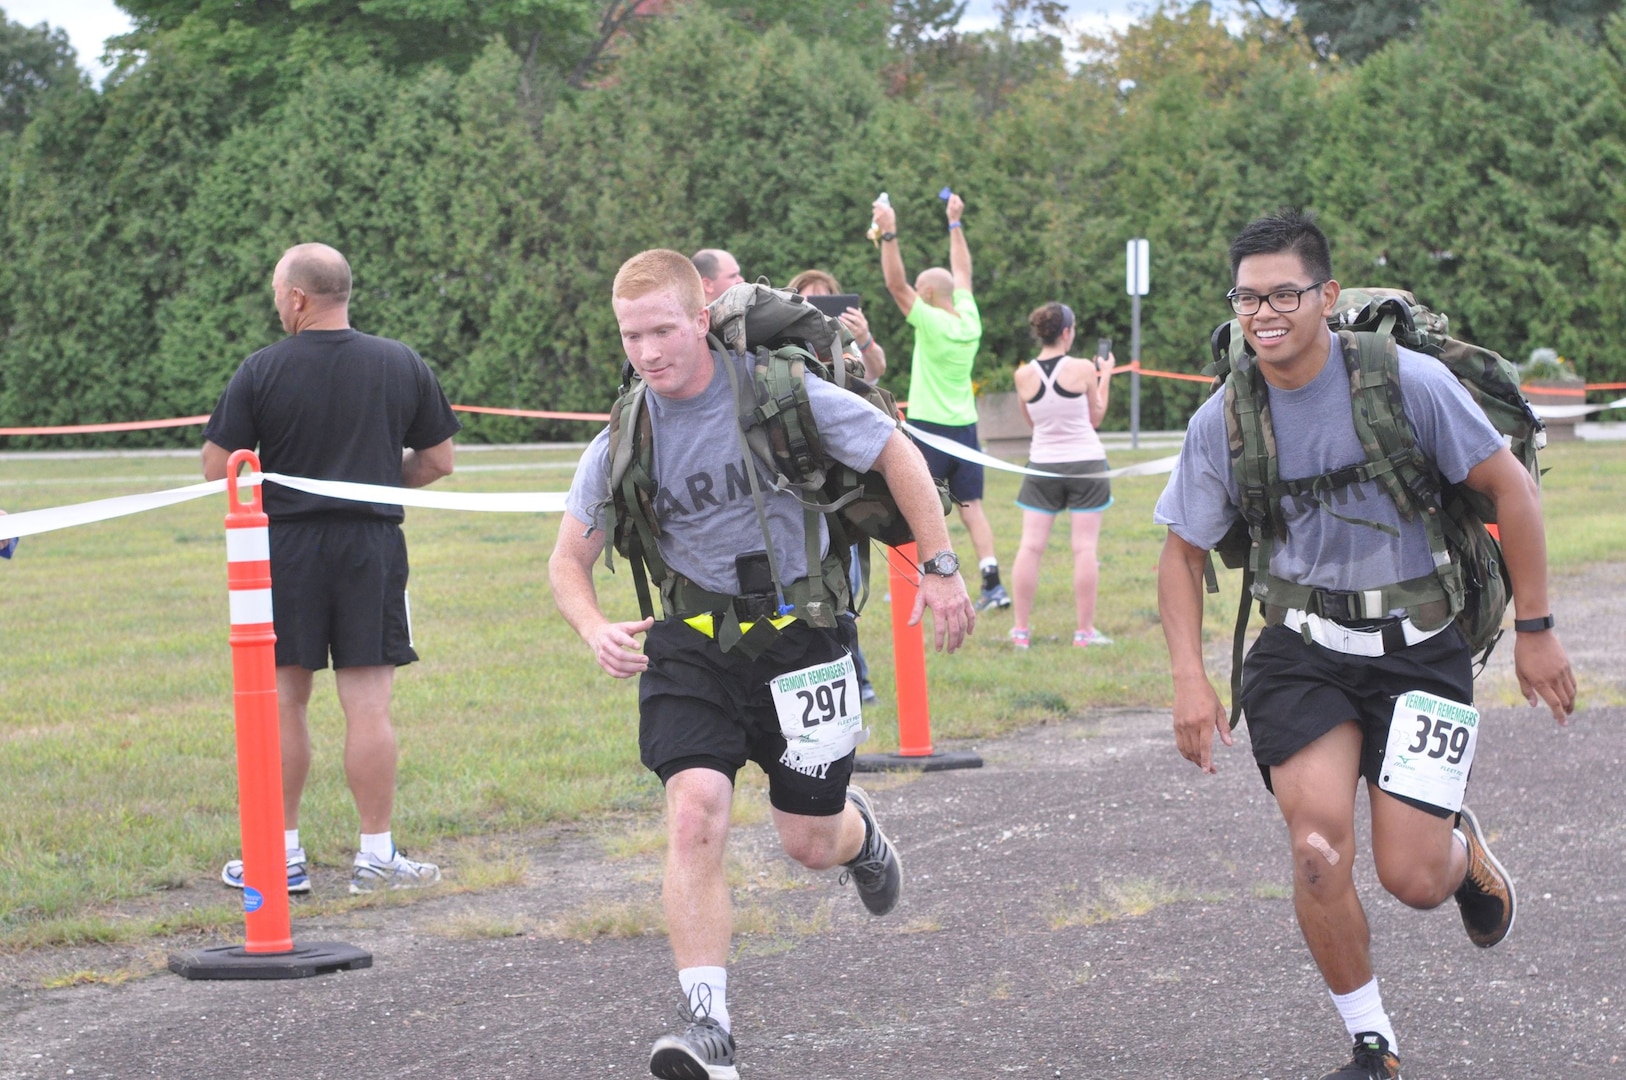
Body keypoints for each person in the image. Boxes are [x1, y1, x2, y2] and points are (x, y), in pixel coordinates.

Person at [1153, 210, 1576, 1080]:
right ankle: (1372, 1043)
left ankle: (1465, 860)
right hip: (1301, 649)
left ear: (1327, 296)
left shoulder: (1405, 384)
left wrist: (1536, 629)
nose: (1263, 313)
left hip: (1421, 647)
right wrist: (1189, 679)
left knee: (1412, 877)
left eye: (1283, 293)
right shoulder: (1225, 419)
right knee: (1316, 851)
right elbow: (1181, 551)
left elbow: (1512, 492)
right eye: (1247, 297)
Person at [549, 249, 974, 1080]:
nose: (648, 350)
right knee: (695, 810)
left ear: (700, 318)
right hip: (691, 643)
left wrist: (943, 563)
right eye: (631, 335)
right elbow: (568, 560)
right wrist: (593, 624)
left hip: (802, 636)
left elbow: (897, 453)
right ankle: (708, 1024)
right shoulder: (623, 433)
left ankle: (859, 838)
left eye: (663, 329)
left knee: (809, 843)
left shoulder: (776, 394)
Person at [202, 242, 461, 896]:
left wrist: (290, 493)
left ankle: (280, 855)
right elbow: (438, 461)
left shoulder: (261, 369)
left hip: (283, 550)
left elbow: (219, 469)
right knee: (369, 707)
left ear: (296, 298)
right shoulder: (400, 362)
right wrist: (370, 483)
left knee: (284, 703)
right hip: (370, 547)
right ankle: (376, 855)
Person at [873, 191, 1009, 612]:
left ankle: (918, 581)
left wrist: (889, 232)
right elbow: (962, 273)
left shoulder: (929, 320)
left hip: (930, 427)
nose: (913, 292)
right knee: (973, 510)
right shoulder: (970, 321)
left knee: (917, 503)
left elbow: (895, 284)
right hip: (965, 428)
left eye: (919, 289)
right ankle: (992, 581)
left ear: (928, 293)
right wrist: (955, 223)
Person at [787, 267, 884, 701]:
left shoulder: (846, 346)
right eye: (808, 300)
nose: (817, 308)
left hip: (847, 482)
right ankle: (845, 679)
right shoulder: (783, 347)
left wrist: (859, 339)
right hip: (804, 484)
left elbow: (875, 371)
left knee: (849, 584)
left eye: (826, 300)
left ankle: (855, 677)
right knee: (817, 587)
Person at [1008, 302, 1114, 649]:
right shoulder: (1083, 367)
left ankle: (1021, 632)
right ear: (1066, 332)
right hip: (1086, 463)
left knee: (1030, 546)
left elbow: (1031, 423)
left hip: (1043, 464)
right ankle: (1084, 632)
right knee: (1084, 548)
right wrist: (1106, 374)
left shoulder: (1023, 375)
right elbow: (1095, 418)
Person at [786, 268, 887, 383]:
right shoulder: (781, 338)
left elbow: (874, 372)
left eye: (821, 303)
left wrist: (864, 338)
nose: (814, 311)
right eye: (808, 303)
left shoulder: (843, 342)